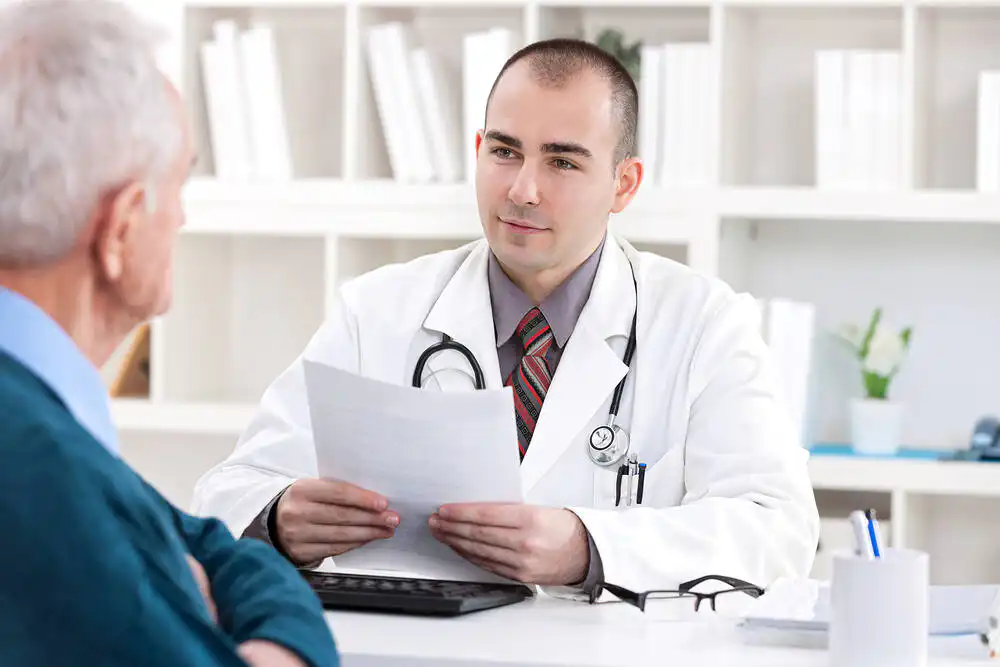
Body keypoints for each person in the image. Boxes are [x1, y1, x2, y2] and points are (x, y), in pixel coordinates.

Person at [191, 38, 820, 597]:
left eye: (563, 161)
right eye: (504, 151)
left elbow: (778, 527)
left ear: (624, 184)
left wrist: (588, 546)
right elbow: (227, 492)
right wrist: (278, 516)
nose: (522, 189)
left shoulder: (702, 322)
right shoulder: (376, 310)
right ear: (478, 150)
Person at [0, 1, 338, 665]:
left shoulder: (43, 426)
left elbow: (200, 539)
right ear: (122, 226)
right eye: (179, 182)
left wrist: (201, 567)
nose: (181, 216)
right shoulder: (42, 473)